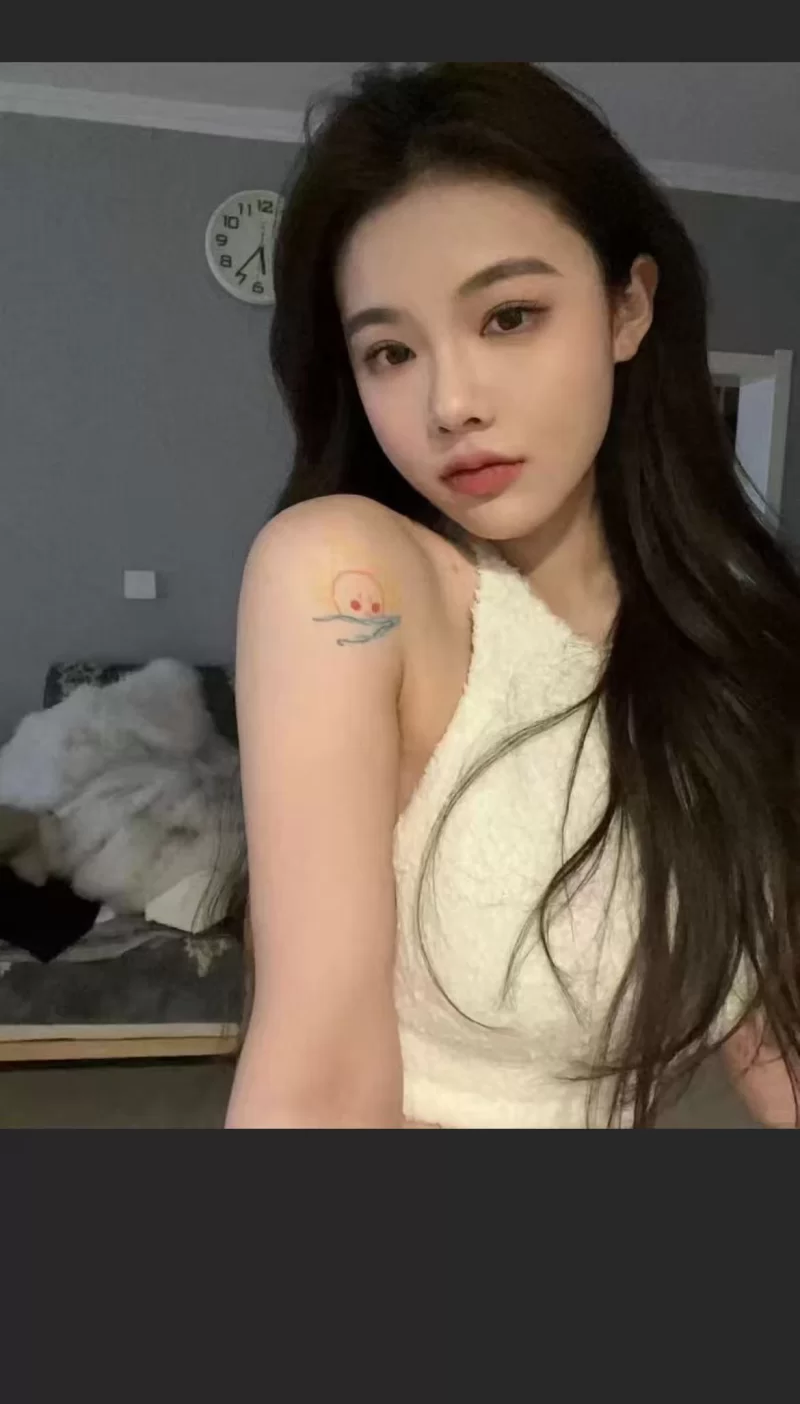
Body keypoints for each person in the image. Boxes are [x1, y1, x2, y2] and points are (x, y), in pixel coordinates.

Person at [224, 61, 800, 1129]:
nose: (450, 403)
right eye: (391, 351)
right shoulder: (343, 576)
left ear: (627, 309)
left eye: (508, 316)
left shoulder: (730, 647)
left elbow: (770, 1027)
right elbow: (319, 1072)